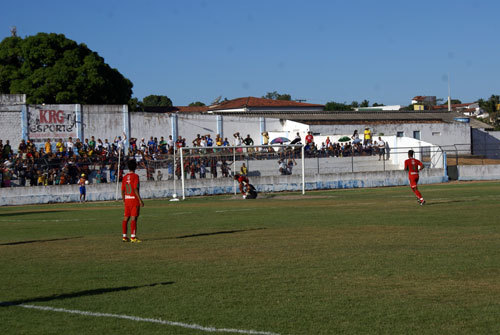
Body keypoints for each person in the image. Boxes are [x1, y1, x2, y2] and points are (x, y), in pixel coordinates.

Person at [121, 159, 144, 242]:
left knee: (126, 218)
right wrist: (140, 200)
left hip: (127, 199)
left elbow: (123, 190)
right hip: (134, 200)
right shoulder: (135, 176)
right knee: (134, 218)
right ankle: (133, 237)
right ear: (135, 167)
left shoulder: (124, 177)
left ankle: (124, 236)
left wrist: (124, 199)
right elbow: (135, 188)